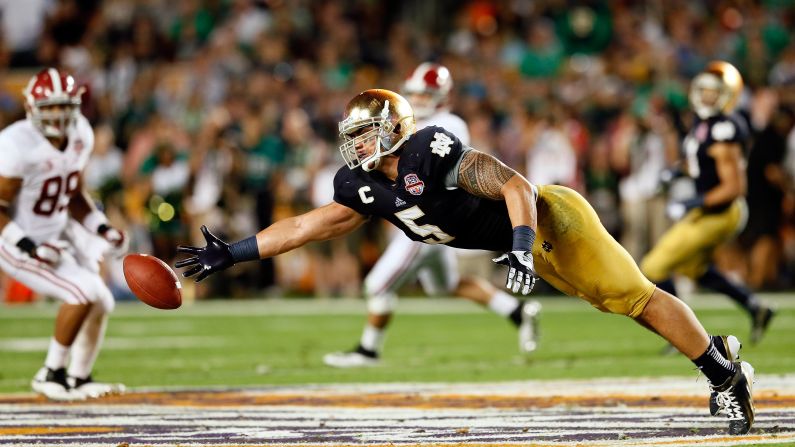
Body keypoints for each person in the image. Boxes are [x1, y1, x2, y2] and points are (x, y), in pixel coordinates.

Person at [176, 88, 755, 435]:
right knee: (614, 303)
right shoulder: (359, 184)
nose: (355, 146)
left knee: (635, 298)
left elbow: (516, 185)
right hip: (521, 242)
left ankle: (724, 378)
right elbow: (307, 225)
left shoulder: (428, 148)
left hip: (550, 219)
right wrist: (234, 253)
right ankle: (718, 348)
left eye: (366, 133)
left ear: (394, 128)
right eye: (351, 136)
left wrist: (524, 246)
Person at [323, 63, 540, 368]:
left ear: (443, 96)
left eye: (426, 94)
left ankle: (368, 350)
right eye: (414, 93)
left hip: (429, 219)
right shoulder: (396, 122)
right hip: (419, 221)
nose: (420, 99)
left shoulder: (447, 124)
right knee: (444, 286)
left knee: (378, 285)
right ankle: (517, 312)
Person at [0, 68, 128, 401]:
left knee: (101, 300)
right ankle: (50, 372)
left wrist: (102, 227)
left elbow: (73, 194)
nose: (57, 115)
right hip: (13, 239)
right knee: (82, 292)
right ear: (32, 107)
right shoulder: (15, 144)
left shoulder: (81, 133)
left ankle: (78, 377)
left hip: (55, 235)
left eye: (63, 106)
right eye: (50, 107)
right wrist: (27, 246)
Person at [641, 61, 775, 345]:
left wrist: (691, 203)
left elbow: (734, 187)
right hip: (708, 209)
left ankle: (676, 332)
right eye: (702, 90)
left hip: (723, 211)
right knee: (694, 269)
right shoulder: (705, 124)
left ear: (727, 95)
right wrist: (676, 171)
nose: (705, 97)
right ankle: (755, 307)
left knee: (654, 266)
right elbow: (701, 164)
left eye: (712, 92)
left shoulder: (725, 129)